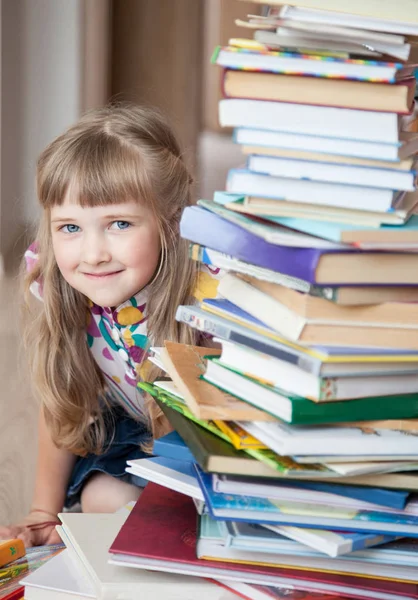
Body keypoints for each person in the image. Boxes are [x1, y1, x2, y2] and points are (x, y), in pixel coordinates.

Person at [0, 103, 214, 546]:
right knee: (100, 498)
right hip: (134, 428)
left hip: (211, 442)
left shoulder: (207, 297)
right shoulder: (56, 277)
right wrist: (44, 514)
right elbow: (62, 396)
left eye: (119, 223)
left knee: (191, 517)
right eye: (71, 227)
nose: (93, 253)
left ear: (171, 222)